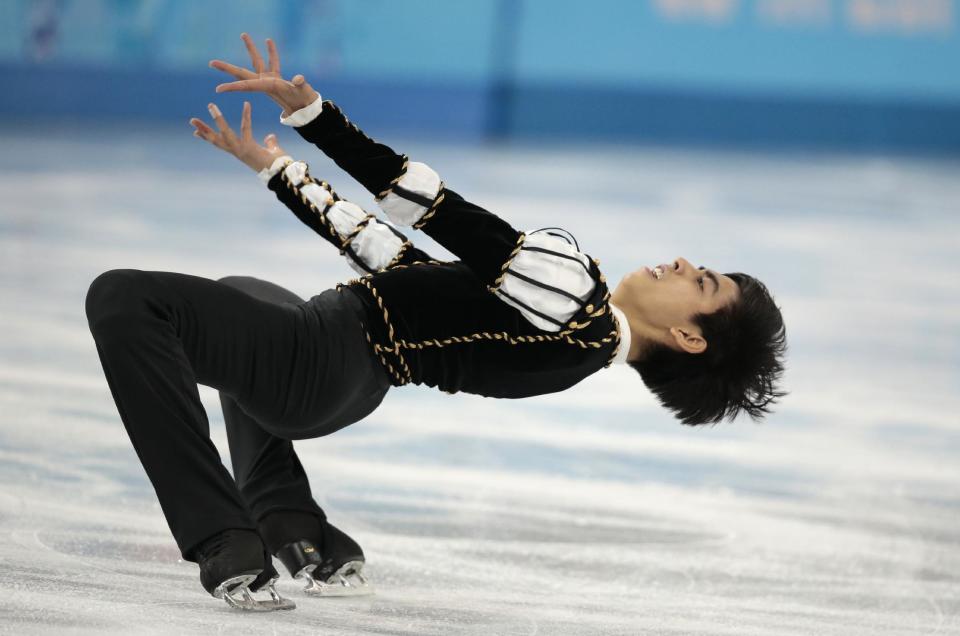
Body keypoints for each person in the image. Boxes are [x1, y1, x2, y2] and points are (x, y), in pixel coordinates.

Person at [84, 33, 787, 611]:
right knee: (246, 292)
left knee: (124, 299)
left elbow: (435, 209)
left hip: (322, 358)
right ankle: (300, 534)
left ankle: (223, 538)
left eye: (702, 282)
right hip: (341, 384)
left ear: (689, 337)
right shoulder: (577, 343)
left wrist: (316, 118)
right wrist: (274, 166)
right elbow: (396, 259)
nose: (683, 262)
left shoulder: (577, 294)